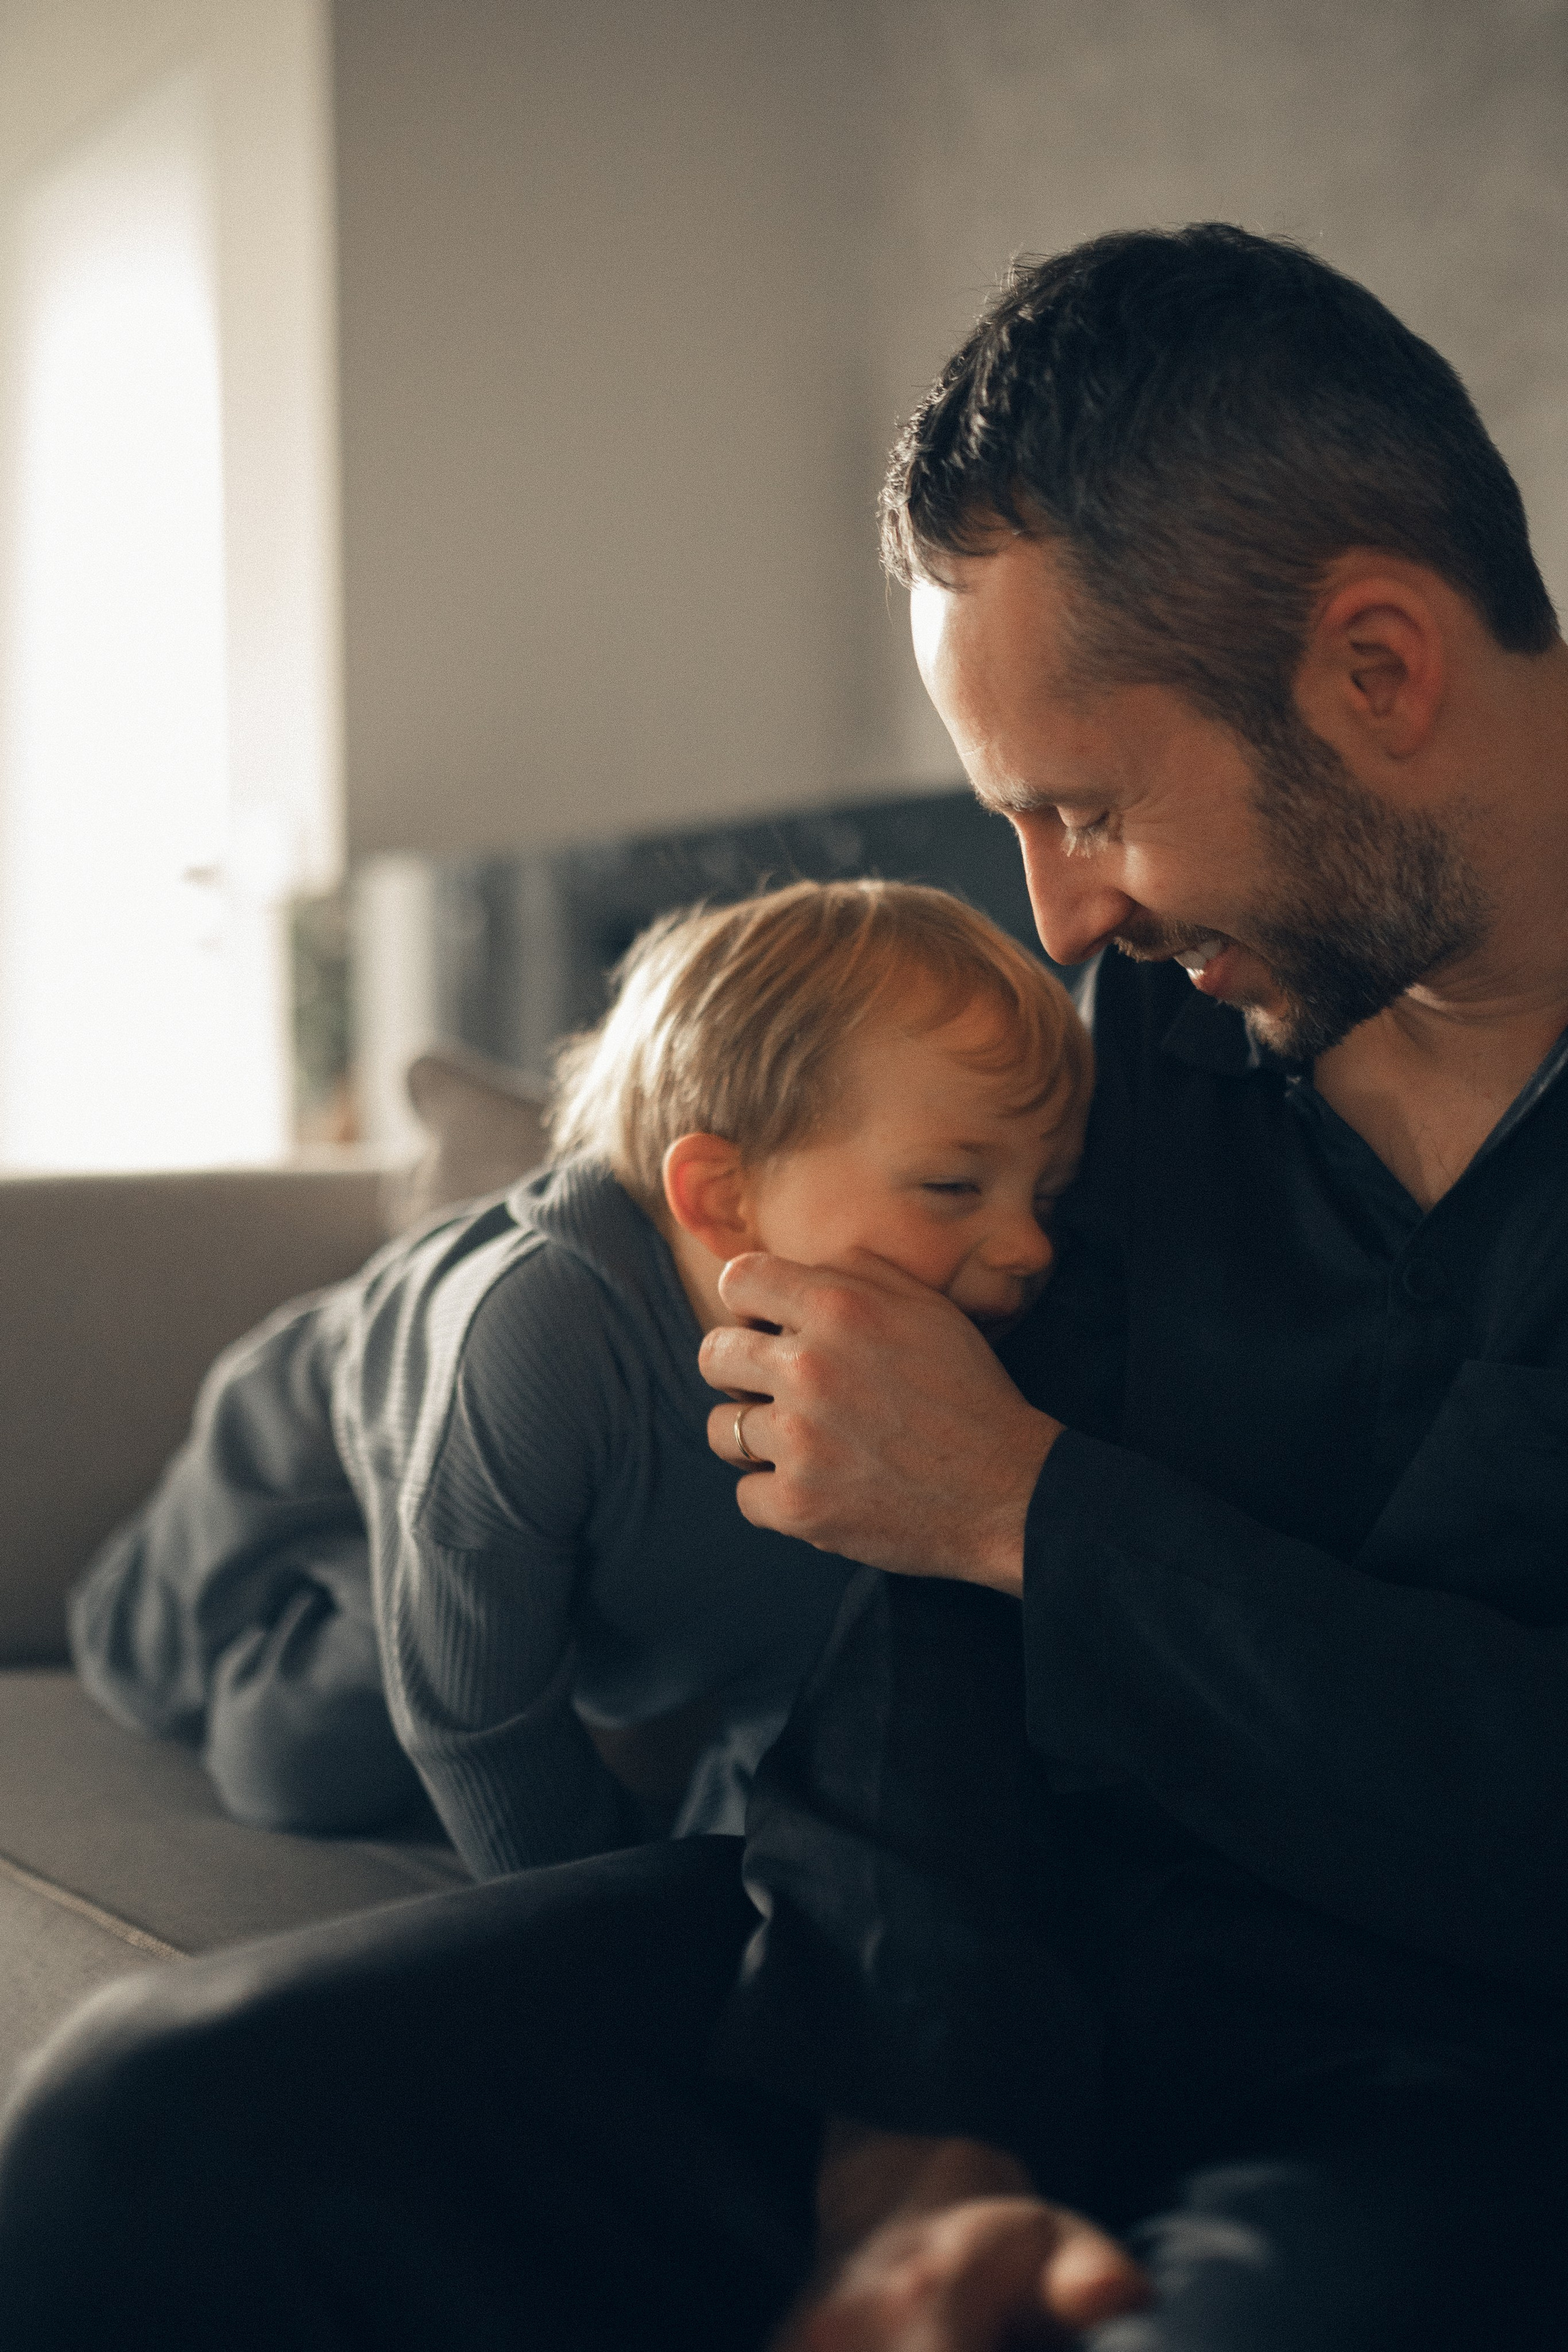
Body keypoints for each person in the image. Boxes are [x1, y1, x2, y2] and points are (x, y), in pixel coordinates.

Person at [2, 220, 1567, 2351]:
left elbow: (1000, 1520)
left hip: (1448, 2076)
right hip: (1014, 1960)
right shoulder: (1182, 1038)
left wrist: (1033, 1511)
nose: (1062, 915)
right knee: (139, 2127)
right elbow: (919, 1604)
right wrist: (906, 2096)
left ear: (1376, 669)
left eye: (1090, 807)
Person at [67, 879, 1088, 1874]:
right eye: (954, 1185)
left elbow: (803, 1693)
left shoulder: (933, 1371)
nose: (1029, 1245)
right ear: (722, 1197)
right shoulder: (534, 1338)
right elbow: (478, 1720)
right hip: (327, 1462)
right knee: (295, 1767)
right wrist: (585, 1910)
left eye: (1048, 1191)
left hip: (574, 1536)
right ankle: (208, 1608)